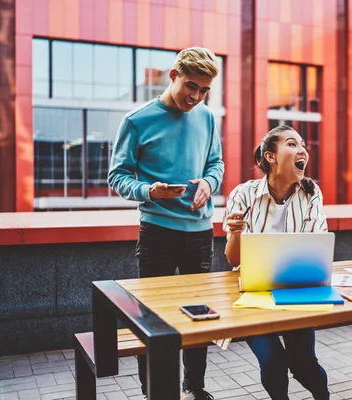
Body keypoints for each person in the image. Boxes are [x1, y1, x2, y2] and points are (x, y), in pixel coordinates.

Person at [108, 47, 223, 400]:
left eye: (204, 90)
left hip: (200, 233)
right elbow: (117, 176)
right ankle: (154, 392)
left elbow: (215, 164)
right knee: (152, 320)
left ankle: (196, 386)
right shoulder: (137, 120)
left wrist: (209, 183)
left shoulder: (206, 117)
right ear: (172, 76)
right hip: (157, 232)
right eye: (191, 86)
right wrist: (150, 191)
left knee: (199, 317)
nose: (196, 96)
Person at [223, 125, 330, 400]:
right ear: (271, 157)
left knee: (304, 365)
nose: (302, 149)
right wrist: (235, 233)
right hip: (253, 294)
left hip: (295, 292)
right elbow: (234, 259)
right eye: (292, 144)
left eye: (303, 144)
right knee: (272, 361)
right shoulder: (243, 194)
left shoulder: (311, 193)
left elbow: (316, 246)